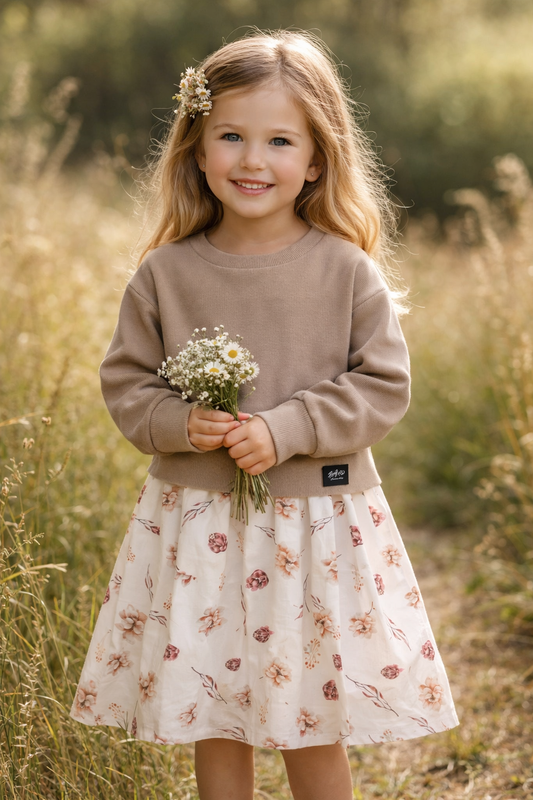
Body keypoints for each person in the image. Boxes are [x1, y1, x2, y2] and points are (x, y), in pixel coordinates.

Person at [70, 29, 459, 800]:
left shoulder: (344, 269)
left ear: (315, 159)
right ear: (196, 147)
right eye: (231, 137)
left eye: (279, 140)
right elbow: (127, 382)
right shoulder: (165, 273)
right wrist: (180, 423)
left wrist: (285, 429)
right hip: (198, 525)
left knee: (309, 714)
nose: (253, 159)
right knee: (214, 710)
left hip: (313, 528)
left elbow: (382, 384)